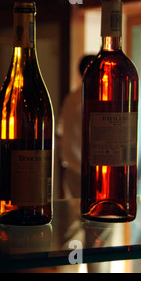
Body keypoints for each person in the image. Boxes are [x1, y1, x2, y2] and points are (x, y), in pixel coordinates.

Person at [56, 55, 95, 199]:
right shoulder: (90, 98)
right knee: (95, 217)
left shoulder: (72, 97)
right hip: (85, 171)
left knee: (82, 216)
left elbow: (59, 131)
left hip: (71, 168)